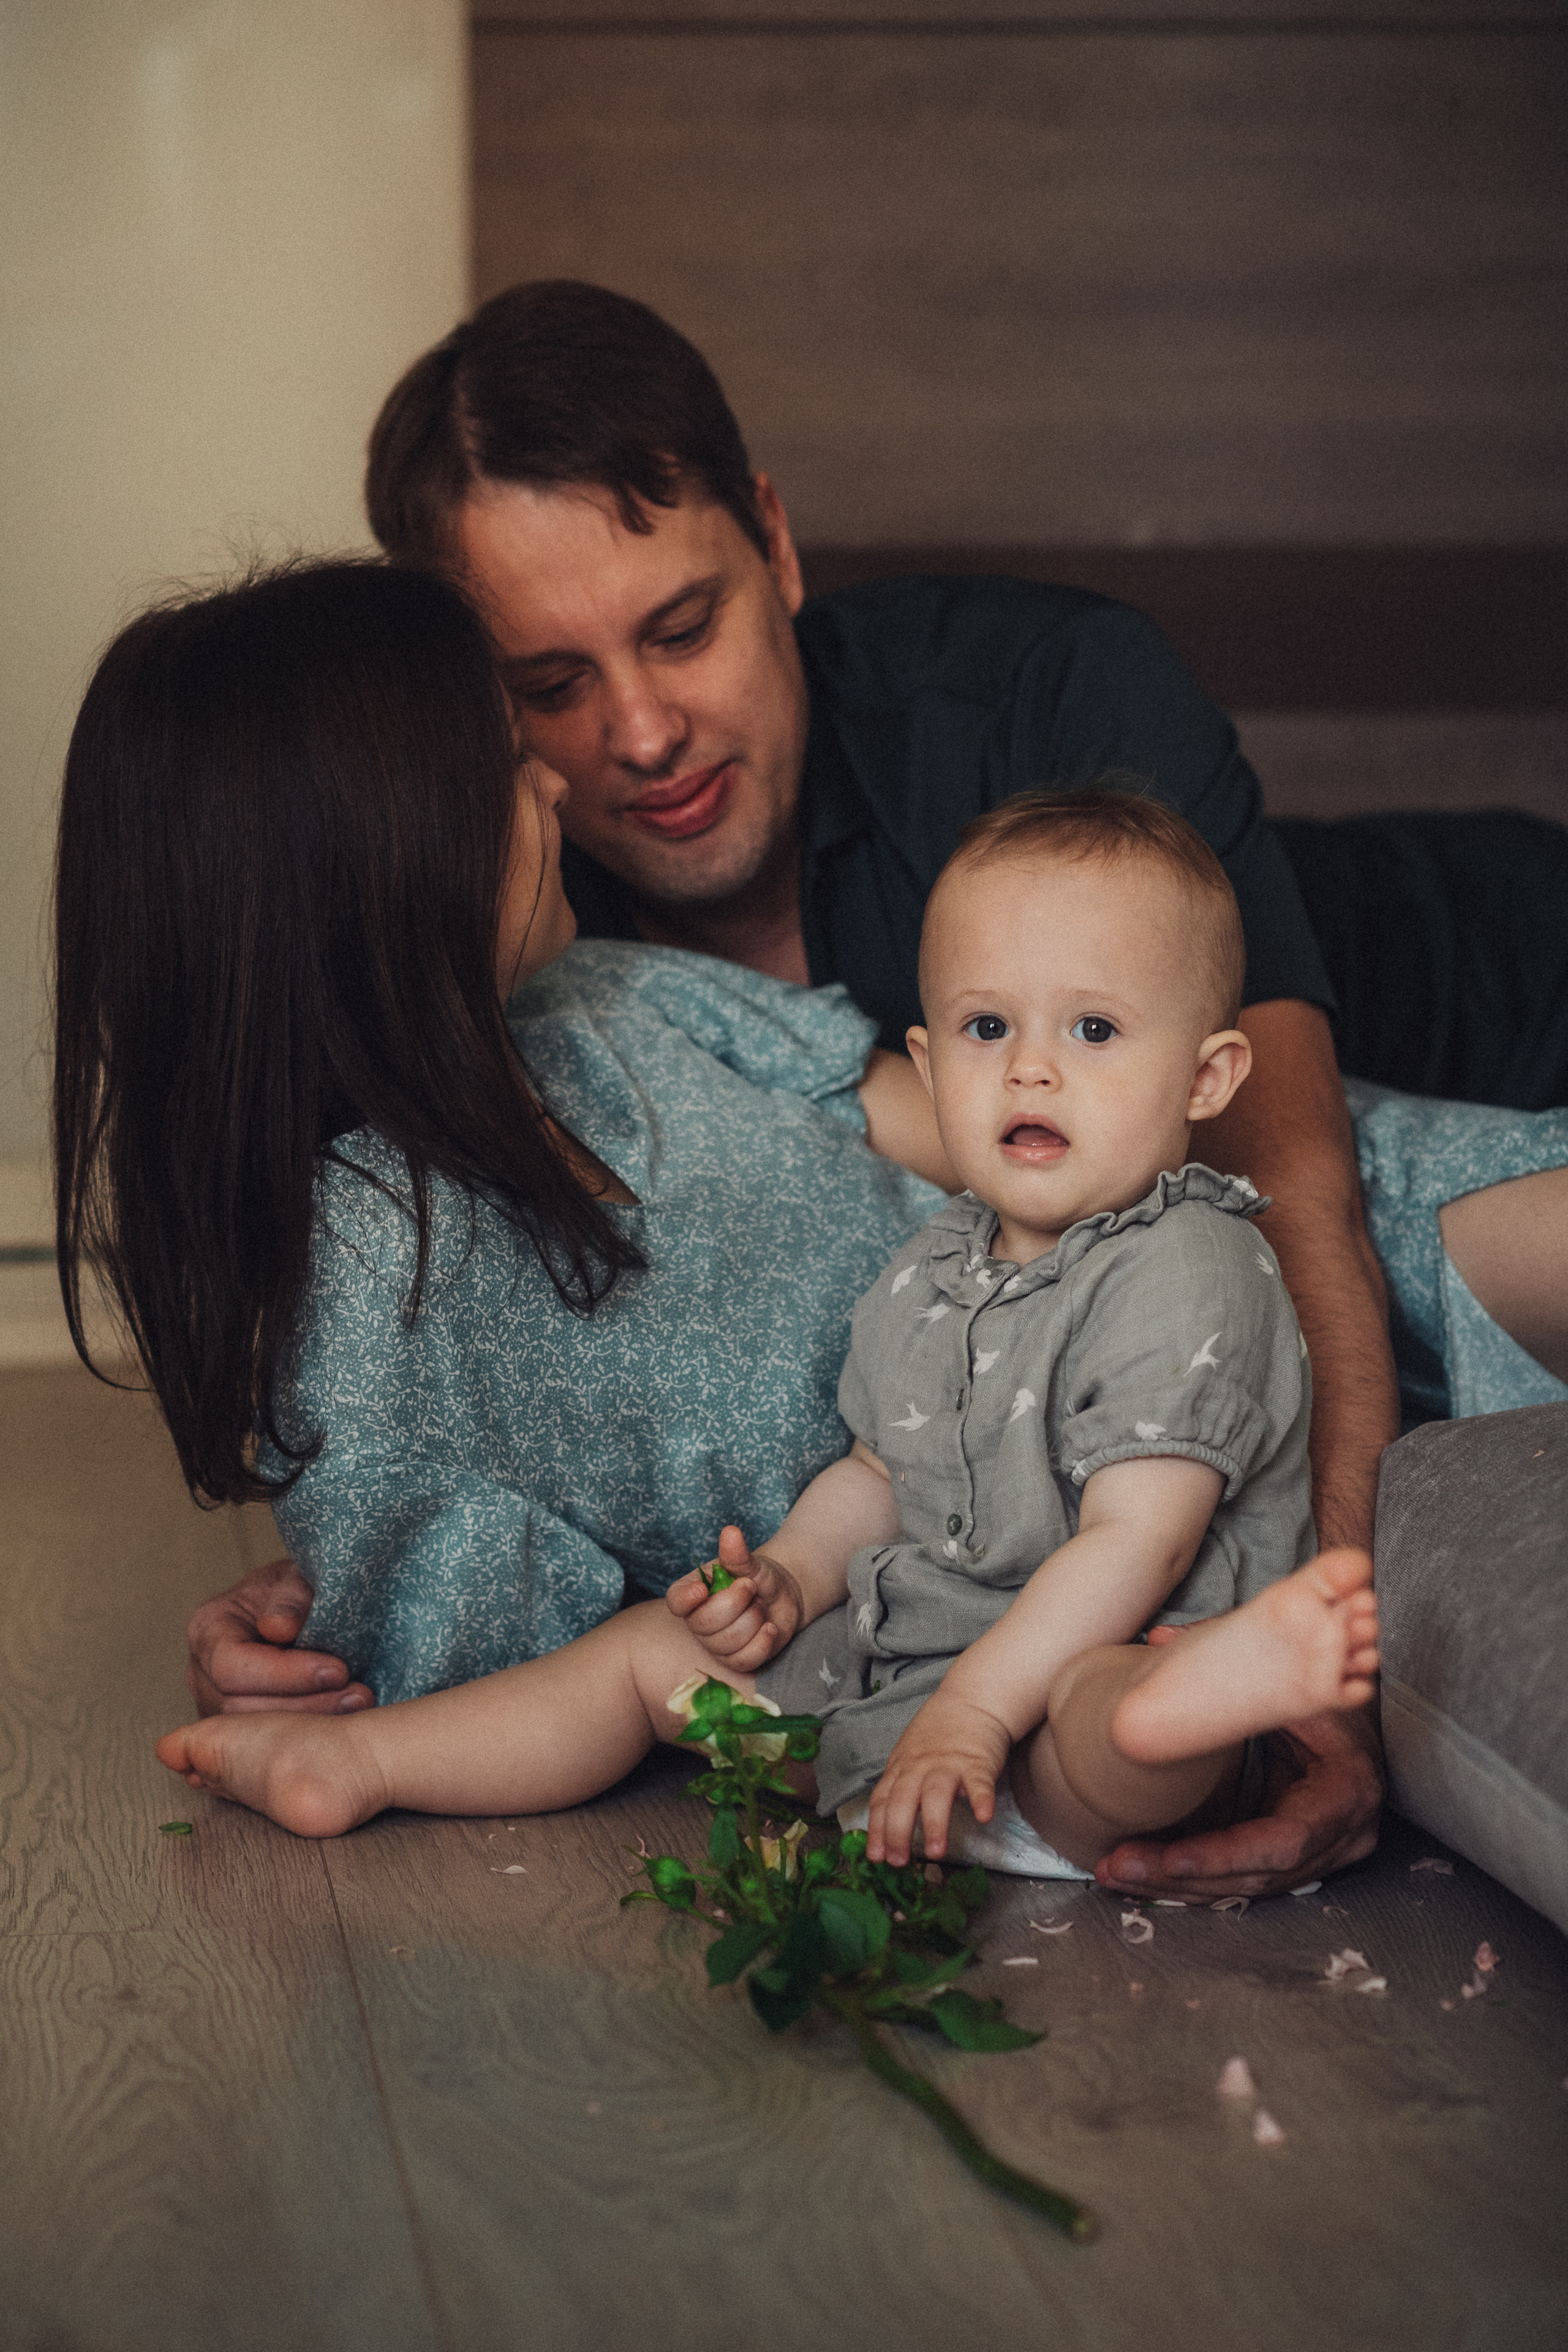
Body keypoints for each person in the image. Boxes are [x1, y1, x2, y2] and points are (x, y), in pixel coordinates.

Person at [184, 281, 1568, 1901]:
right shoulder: (542, 952)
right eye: (544, 688)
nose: (637, 734)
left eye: (683, 625)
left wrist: (1334, 1699)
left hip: (1463, 1026)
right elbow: (597, 1358)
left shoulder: (1041, 696)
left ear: (771, 538)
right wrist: (327, 1584)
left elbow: (1298, 1203)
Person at [154, 789, 1380, 1874]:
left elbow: (1136, 1547)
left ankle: (1201, 1703)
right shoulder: (930, 1266)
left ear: (1209, 1079)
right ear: (927, 1057)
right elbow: (873, 1474)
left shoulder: (1189, 1264)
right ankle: (366, 1766)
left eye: (1093, 1032)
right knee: (647, 1663)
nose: (1030, 1074)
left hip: (1055, 1737)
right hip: (887, 1726)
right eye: (986, 1030)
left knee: (1110, 1711)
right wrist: (790, 1578)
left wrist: (976, 1715)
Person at [55, 556, 950, 1709]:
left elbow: (969, 1133)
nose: (557, 790)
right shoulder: (376, 1280)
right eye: (511, 763)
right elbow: (544, 1677)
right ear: (391, 857)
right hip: (942, 1590)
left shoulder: (611, 998)